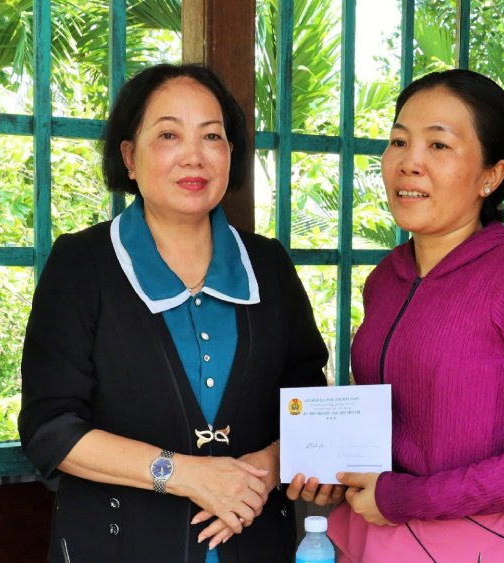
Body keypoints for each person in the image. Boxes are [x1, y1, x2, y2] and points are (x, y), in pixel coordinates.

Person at [18, 64, 331, 563]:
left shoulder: (267, 265)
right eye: (168, 134)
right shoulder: (83, 264)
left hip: (255, 544)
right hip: (117, 545)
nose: (194, 155)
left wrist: (266, 468)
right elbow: (50, 429)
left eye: (212, 136)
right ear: (130, 157)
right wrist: (186, 473)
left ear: (231, 154)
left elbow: (307, 401)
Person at [327, 69, 504, 562]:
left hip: (472, 543)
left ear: (491, 176)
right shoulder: (384, 279)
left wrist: (408, 497)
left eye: (438, 146)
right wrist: (332, 470)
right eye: (398, 141)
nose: (409, 163)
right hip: (367, 535)